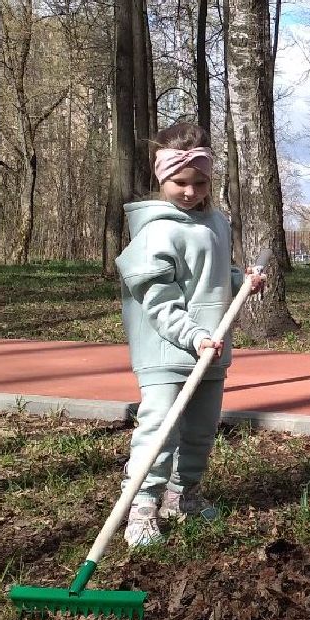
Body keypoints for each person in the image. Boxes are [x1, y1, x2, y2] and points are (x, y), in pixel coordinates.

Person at [115, 122, 265, 547]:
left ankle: (183, 496)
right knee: (160, 427)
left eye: (199, 182)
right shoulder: (155, 232)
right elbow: (159, 302)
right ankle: (143, 505)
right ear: (160, 176)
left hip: (212, 348)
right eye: (179, 182)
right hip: (168, 349)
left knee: (201, 429)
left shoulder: (217, 223)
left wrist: (241, 280)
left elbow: (212, 277)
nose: (189, 191)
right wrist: (194, 336)